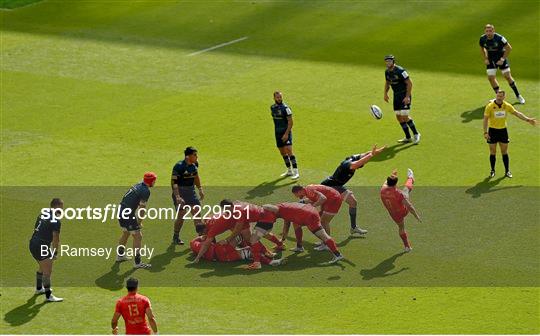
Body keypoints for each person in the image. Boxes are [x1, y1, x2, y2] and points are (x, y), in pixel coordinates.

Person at [321, 144, 386, 236]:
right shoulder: (349, 165)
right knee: (319, 209)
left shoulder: (353, 158)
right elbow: (357, 164)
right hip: (330, 186)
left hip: (337, 186)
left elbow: (363, 155)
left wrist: (374, 152)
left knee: (353, 203)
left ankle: (353, 228)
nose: (361, 166)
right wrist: (371, 155)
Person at [265, 202, 344, 264]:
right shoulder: (281, 207)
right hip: (307, 210)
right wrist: (282, 240)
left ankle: (338, 255)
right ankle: (299, 247)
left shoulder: (280, 212)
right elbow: (287, 222)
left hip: (309, 216)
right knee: (296, 224)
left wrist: (282, 240)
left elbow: (286, 225)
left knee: (323, 236)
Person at [483, 90, 536, 178]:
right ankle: (492, 170)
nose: (499, 98)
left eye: (500, 96)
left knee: (504, 152)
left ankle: (507, 171)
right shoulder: (490, 106)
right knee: (493, 152)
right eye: (497, 96)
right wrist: (485, 132)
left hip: (503, 131)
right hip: (492, 131)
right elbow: (485, 119)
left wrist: (528, 119)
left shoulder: (507, 106)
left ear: (504, 97)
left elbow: (517, 113)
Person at [116, 172, 156, 269]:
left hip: (121, 210)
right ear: (151, 181)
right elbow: (142, 208)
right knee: (138, 236)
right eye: (154, 180)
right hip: (128, 214)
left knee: (126, 233)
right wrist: (139, 222)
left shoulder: (139, 184)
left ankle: (120, 255)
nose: (155, 182)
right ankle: (137, 262)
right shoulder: (146, 191)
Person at [29, 198, 64, 302]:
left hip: (33, 243)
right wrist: (55, 252)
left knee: (42, 266)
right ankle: (49, 296)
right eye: (61, 208)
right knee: (47, 272)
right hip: (41, 246)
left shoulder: (43, 213)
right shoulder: (56, 221)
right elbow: (56, 238)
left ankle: (39, 289)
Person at [479, 24, 525, 104]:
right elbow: (482, 49)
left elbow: (509, 48)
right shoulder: (482, 39)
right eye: (487, 31)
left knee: (507, 76)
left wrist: (502, 59)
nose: (489, 33)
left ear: (494, 31)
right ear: (485, 31)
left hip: (501, 58)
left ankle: (518, 95)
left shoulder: (500, 38)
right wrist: (485, 58)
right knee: (490, 78)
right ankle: (498, 97)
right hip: (491, 60)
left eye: (490, 31)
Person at [291, 184, 343, 251]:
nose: (297, 197)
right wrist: (302, 202)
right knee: (320, 220)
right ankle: (325, 241)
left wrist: (312, 207)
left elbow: (323, 198)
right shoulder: (307, 190)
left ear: (299, 191)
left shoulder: (309, 191)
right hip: (330, 198)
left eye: (296, 195)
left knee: (324, 222)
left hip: (333, 199)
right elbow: (314, 198)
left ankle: (327, 244)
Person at [380, 169, 421, 252]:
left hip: (394, 215)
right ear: (396, 184)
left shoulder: (382, 190)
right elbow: (409, 206)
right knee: (406, 190)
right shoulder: (398, 193)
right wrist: (416, 215)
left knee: (401, 228)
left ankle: (407, 247)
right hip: (404, 211)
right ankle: (411, 177)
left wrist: (392, 174)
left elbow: (385, 182)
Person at [171, 146, 205, 245]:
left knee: (197, 213)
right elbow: (174, 182)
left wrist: (200, 189)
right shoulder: (179, 166)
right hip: (180, 193)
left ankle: (201, 236)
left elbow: (196, 178)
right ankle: (176, 236)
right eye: (194, 155)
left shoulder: (194, 166)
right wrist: (177, 196)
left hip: (191, 193)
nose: (196, 156)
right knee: (181, 215)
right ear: (188, 156)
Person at [384, 55, 421, 144]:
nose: (388, 63)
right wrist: (385, 94)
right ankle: (408, 137)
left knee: (404, 116)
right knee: (399, 117)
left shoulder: (401, 71)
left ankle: (416, 134)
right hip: (396, 96)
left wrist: (407, 96)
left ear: (393, 61)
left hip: (404, 95)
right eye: (387, 61)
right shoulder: (387, 72)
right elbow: (387, 83)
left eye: (390, 61)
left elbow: (409, 83)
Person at [271, 91, 299, 179]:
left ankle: (296, 171)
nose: (279, 99)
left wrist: (286, 134)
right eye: (277, 97)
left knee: (289, 150)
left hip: (286, 132)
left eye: (280, 97)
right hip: (277, 133)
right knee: (282, 152)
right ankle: (289, 170)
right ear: (274, 98)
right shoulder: (272, 107)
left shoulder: (286, 108)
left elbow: (291, 122)